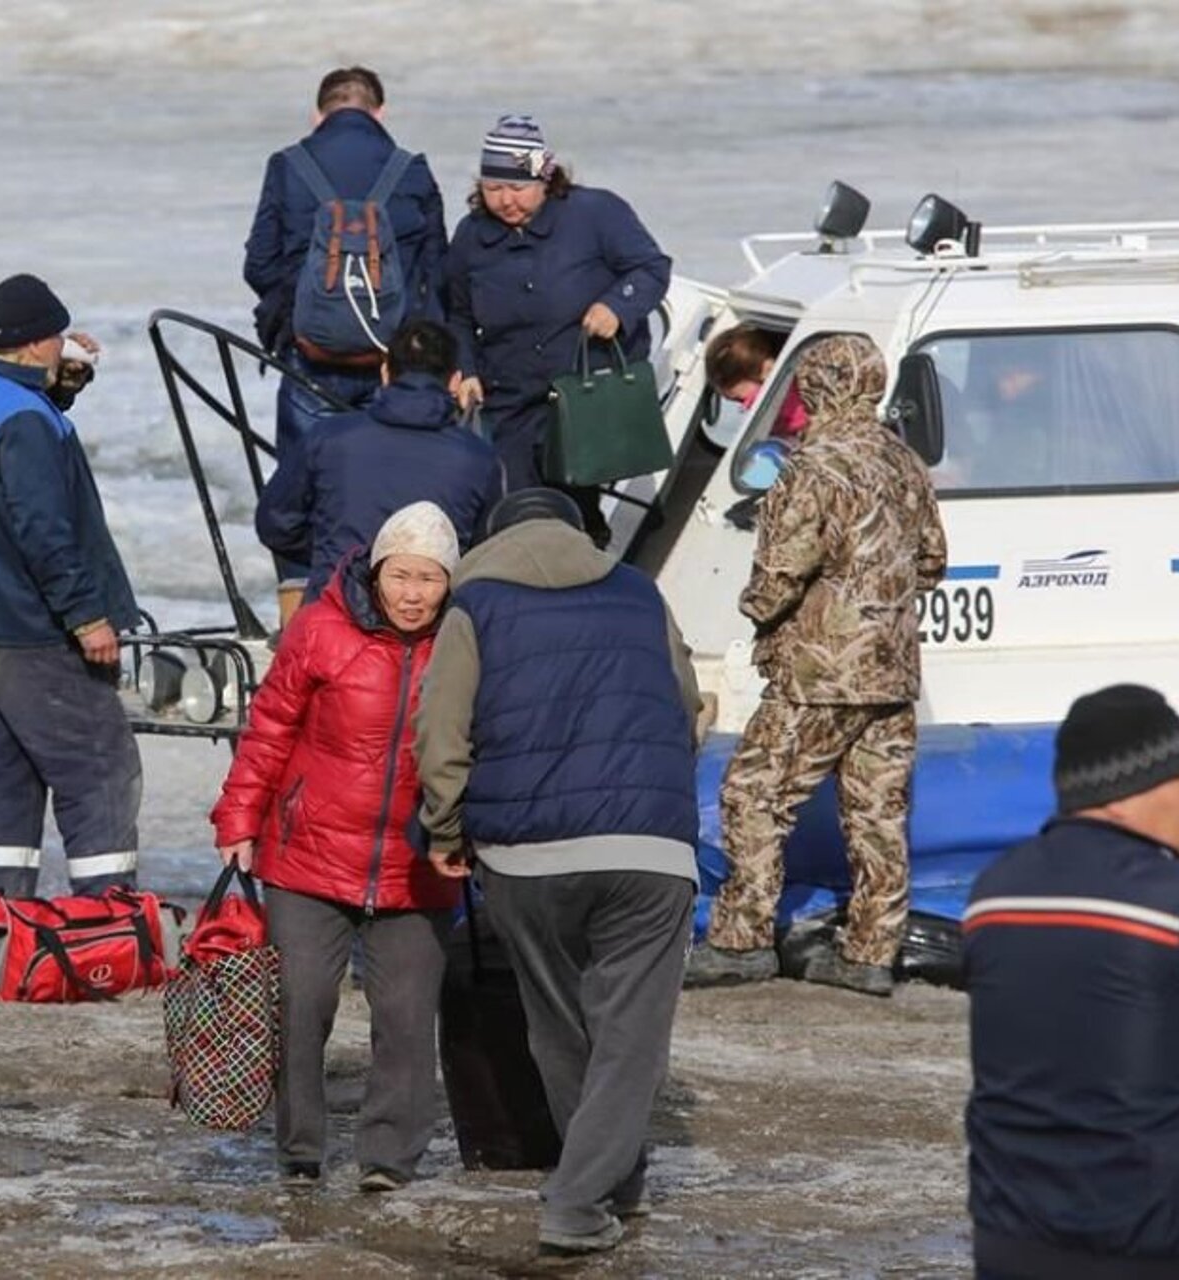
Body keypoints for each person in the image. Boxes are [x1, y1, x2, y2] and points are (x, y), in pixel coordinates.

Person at [414, 487, 701, 1255]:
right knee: (629, 1034)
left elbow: (441, 731)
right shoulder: (640, 594)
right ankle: (583, 1198)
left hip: (525, 855)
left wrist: (445, 828)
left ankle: (610, 1182)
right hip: (649, 847)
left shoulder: (474, 603)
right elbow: (687, 702)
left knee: (559, 1026)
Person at [210, 502, 460, 1192]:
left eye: (430, 580)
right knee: (302, 1001)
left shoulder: (465, 641)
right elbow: (268, 730)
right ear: (377, 572)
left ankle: (389, 1158)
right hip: (309, 856)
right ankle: (300, 1149)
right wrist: (239, 817)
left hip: (416, 864)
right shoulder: (320, 629)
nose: (412, 594)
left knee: (407, 1019)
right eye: (401, 576)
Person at [688, 334, 947, 996]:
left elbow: (780, 573)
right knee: (878, 812)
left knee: (754, 794)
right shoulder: (904, 461)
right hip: (891, 669)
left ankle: (741, 938)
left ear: (815, 387)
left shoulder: (812, 467)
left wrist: (762, 609)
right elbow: (932, 562)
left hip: (821, 671)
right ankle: (869, 953)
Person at [965, 684, 1179, 1279]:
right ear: (1136, 786)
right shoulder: (1163, 905)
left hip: (1010, 1233)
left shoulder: (993, 892)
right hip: (1142, 1242)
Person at [0, 274, 142, 907]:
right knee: (99, 765)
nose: (63, 344)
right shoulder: (26, 421)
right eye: (55, 336)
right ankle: (107, 918)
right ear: (30, 346)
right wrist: (88, 619)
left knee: (5, 772)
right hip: (33, 630)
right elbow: (44, 534)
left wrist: (67, 378)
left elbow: (21, 426)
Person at [444, 115, 671, 546]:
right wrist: (466, 368)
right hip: (510, 401)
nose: (506, 199)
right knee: (515, 516)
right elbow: (457, 314)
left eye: (517, 187)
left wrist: (616, 305)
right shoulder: (471, 236)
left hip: (584, 396)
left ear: (545, 179)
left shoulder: (596, 212)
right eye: (494, 189)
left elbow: (650, 267)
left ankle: (593, 564)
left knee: (577, 516)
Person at [243, 65, 448, 458]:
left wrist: (297, 314)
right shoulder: (411, 168)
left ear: (318, 115)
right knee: (387, 487)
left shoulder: (288, 165)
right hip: (395, 360)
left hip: (310, 356)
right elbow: (438, 272)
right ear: (380, 112)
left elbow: (259, 265)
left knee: (305, 484)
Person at [255, 319, 502, 604]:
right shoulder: (479, 458)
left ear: (385, 373)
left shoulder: (328, 438)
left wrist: (331, 547)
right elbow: (488, 552)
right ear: (455, 382)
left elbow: (275, 524)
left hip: (336, 616)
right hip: (428, 625)